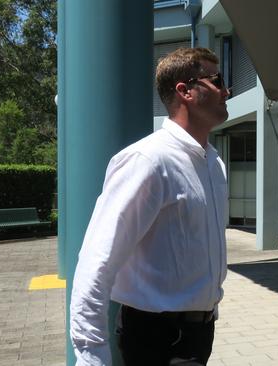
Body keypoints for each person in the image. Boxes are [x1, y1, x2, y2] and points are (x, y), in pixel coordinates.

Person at [69, 47, 230, 366]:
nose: (227, 90)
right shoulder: (148, 161)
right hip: (157, 340)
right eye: (217, 80)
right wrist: (91, 356)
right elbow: (97, 261)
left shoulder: (213, 164)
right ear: (184, 91)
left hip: (199, 335)